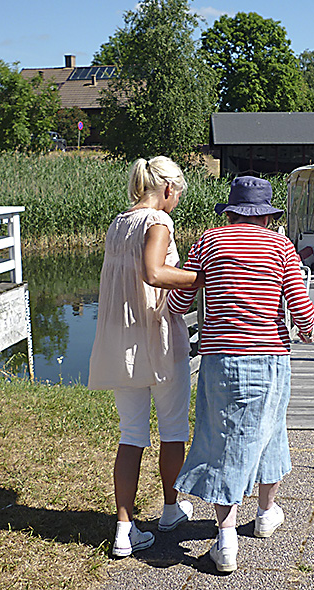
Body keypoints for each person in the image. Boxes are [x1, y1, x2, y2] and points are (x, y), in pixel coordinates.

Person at [168, 176, 314, 573]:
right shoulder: (282, 246)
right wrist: (309, 327)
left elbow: (182, 300)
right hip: (270, 358)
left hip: (220, 359)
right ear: (267, 216)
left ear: (231, 211)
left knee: (224, 438)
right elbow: (301, 309)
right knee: (270, 430)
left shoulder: (208, 242)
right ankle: (243, 527)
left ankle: (247, 524)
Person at [88, 156, 204, 559]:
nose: (176, 204)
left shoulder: (118, 223)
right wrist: (202, 276)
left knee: (131, 434)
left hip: (121, 339)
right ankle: (171, 510)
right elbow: (153, 273)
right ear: (168, 190)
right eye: (177, 196)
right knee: (173, 429)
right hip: (157, 335)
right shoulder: (159, 222)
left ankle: (124, 529)